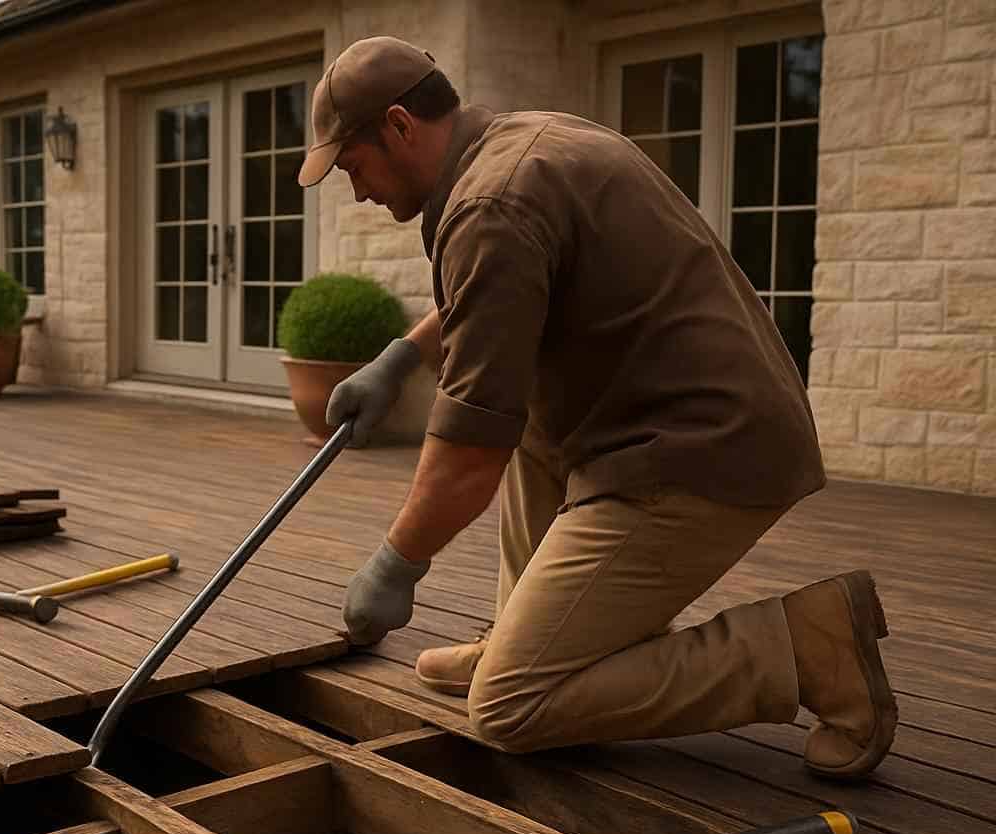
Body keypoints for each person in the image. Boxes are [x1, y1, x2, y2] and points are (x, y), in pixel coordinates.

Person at [297, 36, 897, 779]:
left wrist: (396, 563)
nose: (356, 191)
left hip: (696, 452)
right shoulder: (523, 143)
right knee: (533, 429)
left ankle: (806, 647)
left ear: (398, 125)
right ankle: (529, 631)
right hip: (662, 420)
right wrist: (404, 357)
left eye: (353, 167)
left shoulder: (491, 202)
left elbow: (465, 459)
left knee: (512, 705)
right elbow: (500, 293)